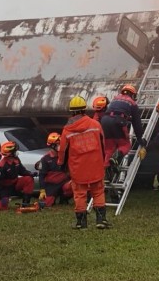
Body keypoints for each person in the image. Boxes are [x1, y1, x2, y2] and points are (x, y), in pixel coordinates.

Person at [57, 96, 110, 230]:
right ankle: (101, 220)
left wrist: (61, 164)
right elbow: (103, 144)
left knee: (79, 194)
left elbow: (62, 150)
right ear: (84, 110)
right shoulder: (95, 125)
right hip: (95, 164)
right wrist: (104, 160)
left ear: (72, 112)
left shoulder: (67, 130)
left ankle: (81, 223)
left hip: (77, 168)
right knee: (98, 192)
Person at [101, 84, 147, 172]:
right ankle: (116, 157)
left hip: (105, 121)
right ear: (132, 94)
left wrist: (126, 117)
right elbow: (136, 123)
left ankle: (107, 174)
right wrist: (140, 139)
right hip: (118, 121)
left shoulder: (115, 99)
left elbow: (115, 111)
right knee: (125, 145)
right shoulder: (132, 103)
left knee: (109, 148)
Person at [0, 141, 36, 210]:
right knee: (0, 207)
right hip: (4, 188)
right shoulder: (1, 167)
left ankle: (25, 203)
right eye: (15, 151)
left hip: (15, 184)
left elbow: (22, 171)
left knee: (29, 179)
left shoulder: (16, 160)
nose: (17, 152)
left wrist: (30, 173)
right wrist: (1, 197)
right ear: (10, 154)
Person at [35, 132, 72, 207]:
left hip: (63, 182)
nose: (61, 146)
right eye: (59, 144)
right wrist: (42, 190)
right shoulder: (45, 159)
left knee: (72, 186)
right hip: (51, 185)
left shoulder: (65, 155)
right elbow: (42, 175)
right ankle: (52, 198)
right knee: (47, 204)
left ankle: (64, 198)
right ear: (52, 145)